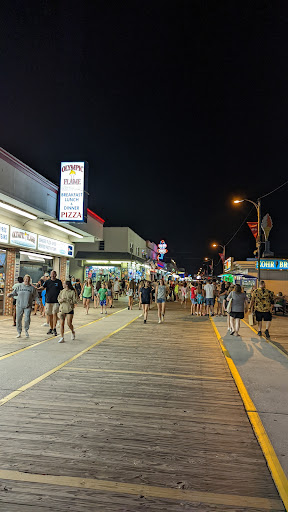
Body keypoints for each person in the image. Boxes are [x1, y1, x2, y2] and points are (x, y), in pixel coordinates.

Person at [42, 270, 63, 336]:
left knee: (54, 314)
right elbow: (43, 287)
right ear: (50, 275)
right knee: (50, 315)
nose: (53, 275)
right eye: (52, 274)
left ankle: (54, 328)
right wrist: (36, 288)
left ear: (56, 275)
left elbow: (61, 290)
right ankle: (51, 328)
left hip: (56, 301)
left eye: (54, 274)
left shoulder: (58, 282)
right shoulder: (47, 282)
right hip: (48, 301)